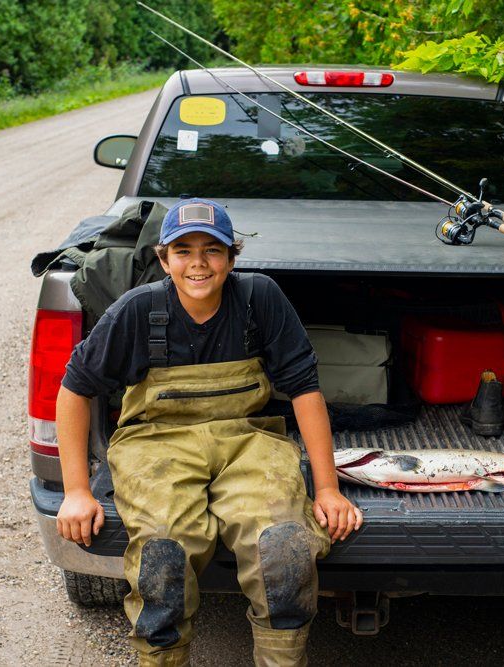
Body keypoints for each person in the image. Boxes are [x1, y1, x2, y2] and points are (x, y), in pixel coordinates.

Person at [54, 198, 362, 666]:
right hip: (155, 444)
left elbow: (304, 389)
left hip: (247, 441)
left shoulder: (260, 298)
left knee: (282, 549)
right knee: (164, 556)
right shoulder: (138, 310)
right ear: (164, 259)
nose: (198, 263)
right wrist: (76, 490)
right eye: (183, 250)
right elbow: (75, 391)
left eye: (212, 250)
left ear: (232, 257)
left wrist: (328, 489)